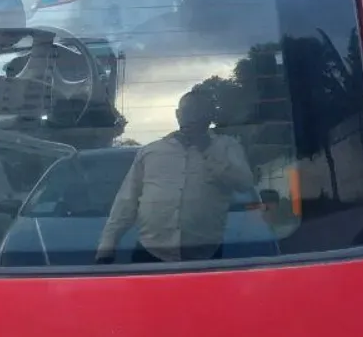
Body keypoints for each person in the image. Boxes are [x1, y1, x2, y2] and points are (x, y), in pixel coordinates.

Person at [95, 86, 255, 265]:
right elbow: (126, 201)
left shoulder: (226, 147)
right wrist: (107, 248)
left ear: (209, 117)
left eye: (199, 112)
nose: (193, 117)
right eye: (188, 112)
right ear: (178, 115)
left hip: (207, 255)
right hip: (150, 253)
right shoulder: (151, 152)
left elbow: (244, 183)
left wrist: (207, 149)